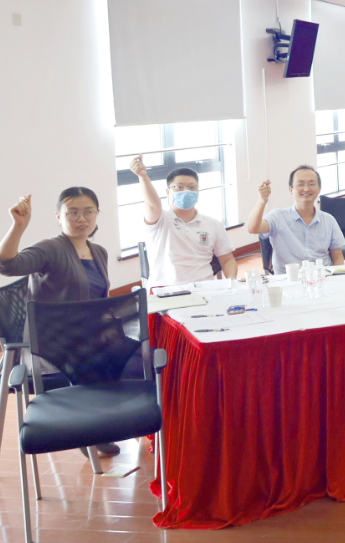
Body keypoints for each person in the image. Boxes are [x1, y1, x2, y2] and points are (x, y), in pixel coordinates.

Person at [0, 188, 127, 457]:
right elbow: (7, 265)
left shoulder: (99, 251)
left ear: (97, 214)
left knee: (135, 354)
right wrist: (18, 226)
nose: (82, 218)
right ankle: (88, 428)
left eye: (88, 212)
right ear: (59, 216)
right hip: (53, 342)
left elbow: (98, 299)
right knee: (103, 358)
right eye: (73, 213)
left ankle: (103, 422)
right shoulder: (50, 248)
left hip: (89, 335)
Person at [129, 156, 236, 287]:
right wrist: (143, 177)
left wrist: (232, 281)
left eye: (192, 187)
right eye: (178, 187)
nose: (186, 191)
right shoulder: (159, 220)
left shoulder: (213, 224)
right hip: (166, 291)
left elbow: (227, 260)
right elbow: (153, 204)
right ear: (168, 192)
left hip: (205, 289)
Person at [246, 166, 345, 271]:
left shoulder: (329, 220)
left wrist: (336, 276)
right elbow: (253, 228)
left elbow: (338, 257)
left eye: (312, 184)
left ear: (319, 189)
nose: (306, 189)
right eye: (300, 184)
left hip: (323, 276)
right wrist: (262, 201)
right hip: (289, 278)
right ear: (291, 190)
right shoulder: (278, 216)